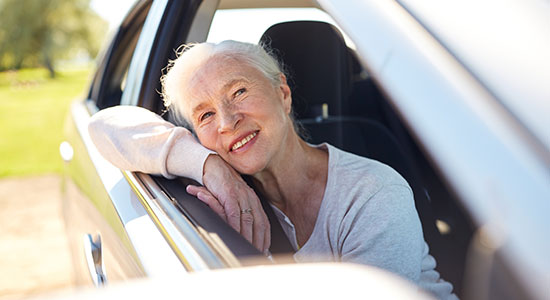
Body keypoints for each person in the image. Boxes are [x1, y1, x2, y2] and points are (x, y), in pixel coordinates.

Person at [88, 40, 457, 299]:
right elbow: (103, 127)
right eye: (205, 115)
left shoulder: (373, 193)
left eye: (239, 92)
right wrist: (210, 166)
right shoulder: (211, 175)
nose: (228, 122)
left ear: (282, 93)